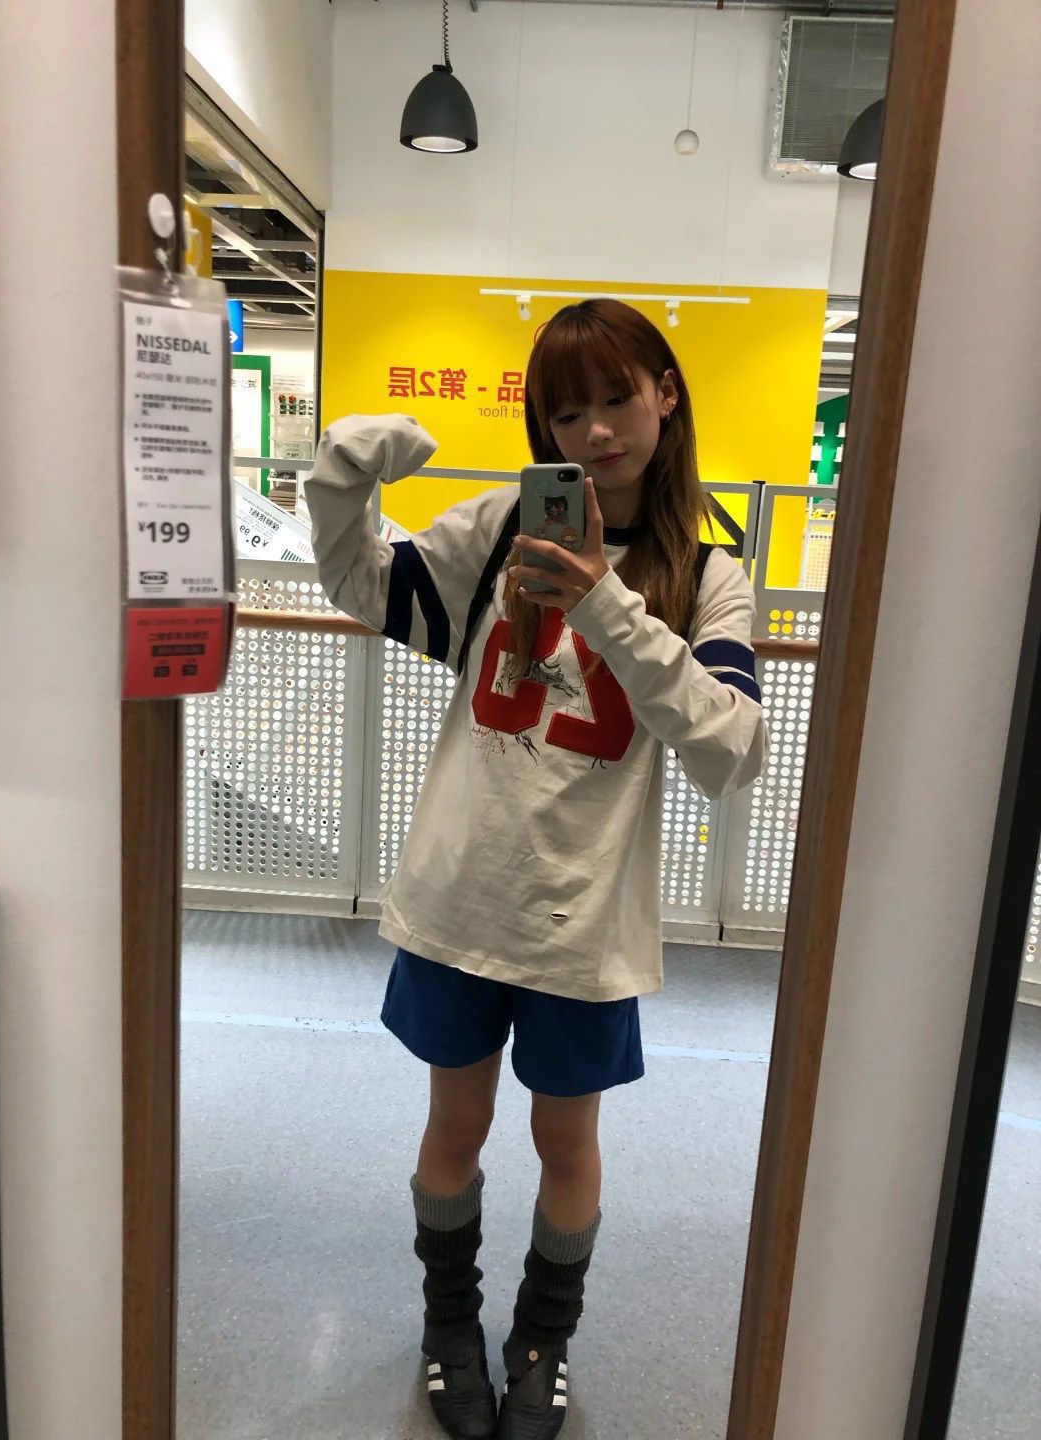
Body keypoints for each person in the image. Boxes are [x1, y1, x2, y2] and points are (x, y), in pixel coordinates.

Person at [305, 299, 769, 1440]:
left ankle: (542, 1342)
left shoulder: (709, 572)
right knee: (454, 1130)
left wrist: (603, 599)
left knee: (567, 1144)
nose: (596, 431)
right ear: (542, 427)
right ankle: (450, 1330)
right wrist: (340, 484)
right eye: (566, 413)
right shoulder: (501, 526)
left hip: (584, 920)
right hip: (462, 898)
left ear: (667, 394)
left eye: (617, 398)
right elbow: (368, 586)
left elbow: (730, 747)